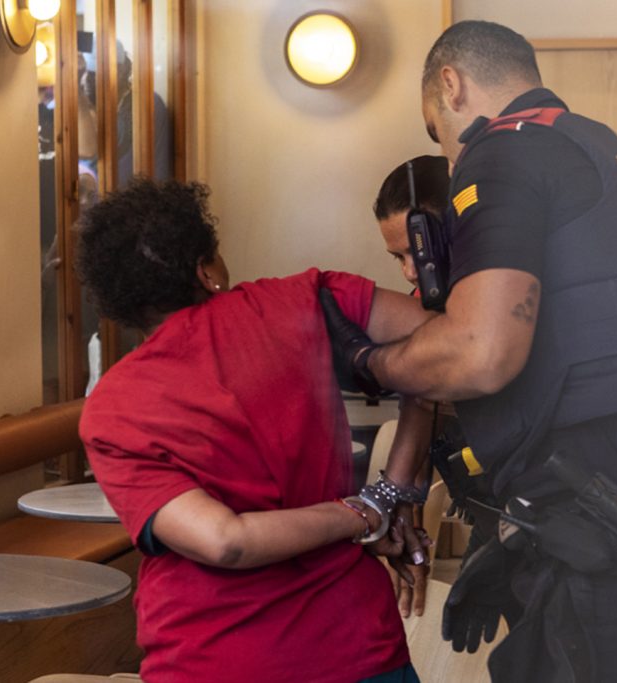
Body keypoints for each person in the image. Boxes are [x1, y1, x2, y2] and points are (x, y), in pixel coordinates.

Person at [323, 20, 617, 681]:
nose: (449, 153)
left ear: (451, 85)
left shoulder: (502, 147)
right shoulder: (607, 154)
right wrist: (516, 533)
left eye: (435, 128)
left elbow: (481, 351)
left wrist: (366, 361)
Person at [76, 178, 432, 682]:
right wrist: (386, 496)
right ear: (207, 270)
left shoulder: (113, 407)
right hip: (352, 643)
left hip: (211, 658)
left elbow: (225, 541)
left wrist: (363, 513)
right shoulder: (307, 299)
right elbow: (448, 346)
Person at [372, 155, 455, 618]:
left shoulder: (501, 301)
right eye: (396, 258)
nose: (408, 272)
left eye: (414, 252)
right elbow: (421, 406)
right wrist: (404, 514)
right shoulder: (420, 307)